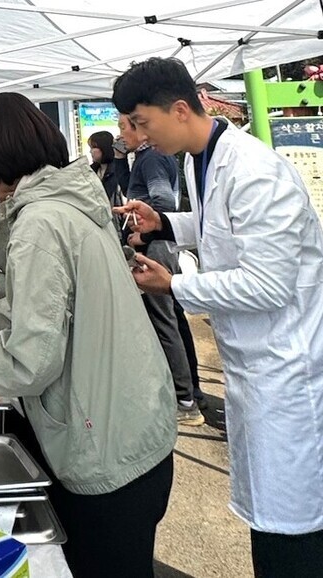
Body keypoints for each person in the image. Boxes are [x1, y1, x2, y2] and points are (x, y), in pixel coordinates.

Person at [0, 92, 176, 578]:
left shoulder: (38, 223)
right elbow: (46, 302)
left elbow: (31, 362)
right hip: (139, 424)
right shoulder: (77, 200)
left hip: (104, 446)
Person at [112, 56, 323, 577]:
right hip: (255, 363)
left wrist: (175, 283)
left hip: (287, 367)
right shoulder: (199, 158)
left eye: (140, 122)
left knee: (291, 520)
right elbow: (222, 229)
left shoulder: (254, 170)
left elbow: (269, 282)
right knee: (267, 512)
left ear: (179, 109)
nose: (136, 136)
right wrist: (164, 223)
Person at [115, 114, 203, 426]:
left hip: (157, 247)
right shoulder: (149, 157)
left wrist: (146, 230)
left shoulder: (151, 158)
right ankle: (191, 389)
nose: (121, 133)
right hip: (165, 243)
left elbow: (163, 198)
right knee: (173, 319)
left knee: (163, 320)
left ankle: (184, 399)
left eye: (124, 126)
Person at [87, 130, 120, 205]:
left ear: (104, 147)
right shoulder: (91, 170)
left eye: (93, 147)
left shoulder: (117, 170)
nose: (90, 151)